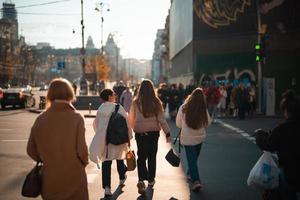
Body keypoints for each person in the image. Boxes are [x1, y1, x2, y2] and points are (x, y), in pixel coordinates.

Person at [27, 78, 89, 200]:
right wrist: (83, 163)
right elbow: (82, 150)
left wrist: (47, 160)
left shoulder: (41, 119)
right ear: (70, 93)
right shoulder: (76, 118)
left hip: (50, 178)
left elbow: (30, 149)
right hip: (74, 176)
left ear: (50, 94)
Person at [255, 90, 300, 200]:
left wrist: (259, 135)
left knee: (287, 194)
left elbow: (268, 145)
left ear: (287, 111)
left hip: (289, 171)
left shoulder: (283, 129)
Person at [129, 79, 171, 195]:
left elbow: (131, 119)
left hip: (140, 134)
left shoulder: (135, 102)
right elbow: (161, 120)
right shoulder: (156, 102)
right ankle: (151, 180)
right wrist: (167, 133)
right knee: (152, 156)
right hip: (153, 134)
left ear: (140, 89)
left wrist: (133, 129)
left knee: (141, 156)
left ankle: (141, 179)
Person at [89, 89, 132, 198]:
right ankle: (122, 178)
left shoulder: (100, 109)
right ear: (109, 97)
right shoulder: (118, 107)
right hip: (118, 139)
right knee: (119, 159)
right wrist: (129, 137)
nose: (115, 95)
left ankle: (107, 188)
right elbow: (127, 123)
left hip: (106, 141)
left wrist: (102, 134)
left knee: (106, 163)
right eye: (113, 94)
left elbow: (96, 125)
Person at [176, 88, 211, 191]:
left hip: (187, 138)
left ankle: (193, 177)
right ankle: (196, 180)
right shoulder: (203, 108)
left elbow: (178, 123)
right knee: (194, 158)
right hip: (199, 137)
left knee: (192, 159)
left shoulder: (184, 107)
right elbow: (208, 123)